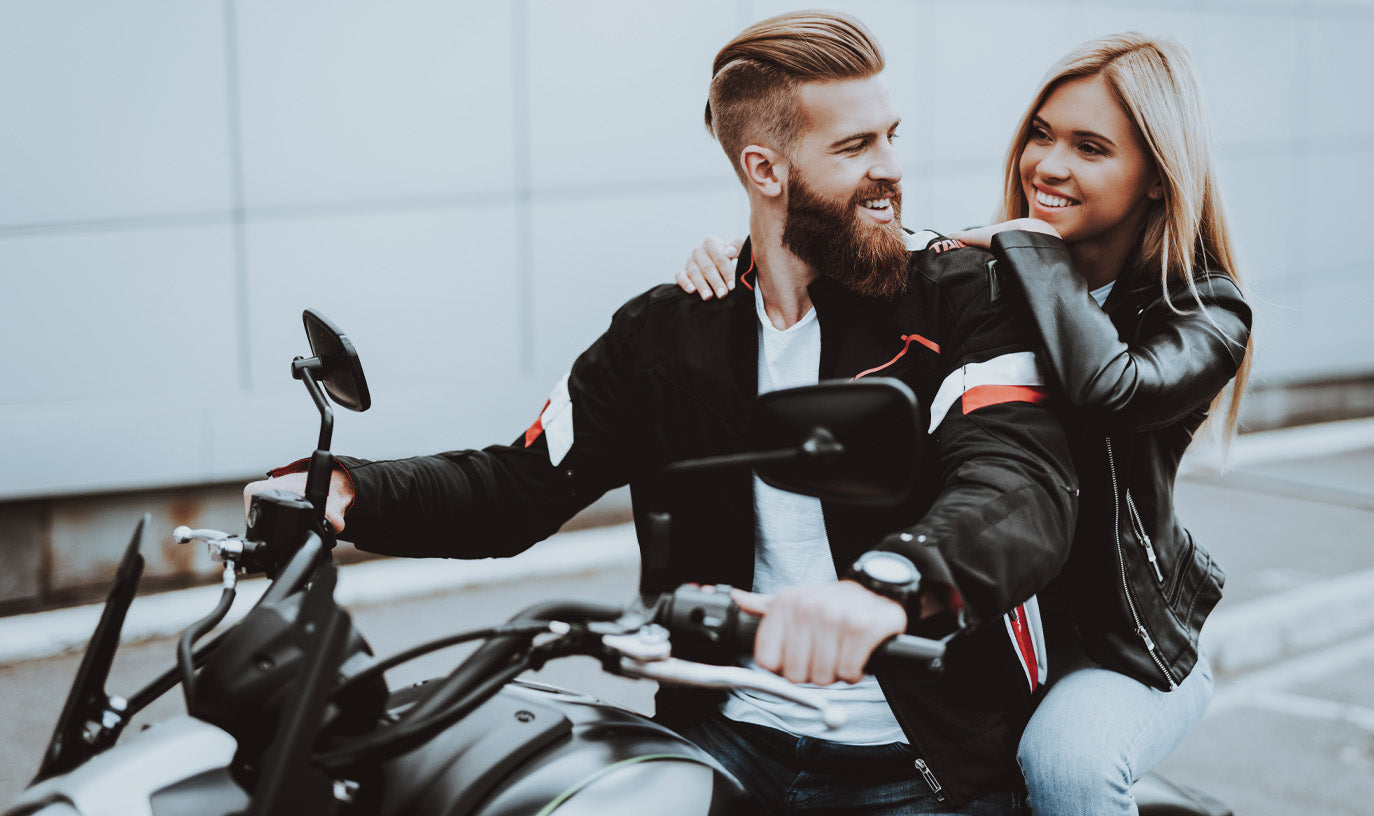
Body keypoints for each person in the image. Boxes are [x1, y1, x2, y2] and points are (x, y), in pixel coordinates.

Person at [246, 11, 1077, 815]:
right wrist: (351, 493)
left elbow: (1018, 483)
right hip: (721, 739)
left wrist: (888, 586)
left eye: (893, 135)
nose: (891, 167)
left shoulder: (960, 298)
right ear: (765, 170)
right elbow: (521, 481)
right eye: (856, 146)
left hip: (918, 762)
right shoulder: (667, 333)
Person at [675, 32, 1253, 816]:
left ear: (1156, 176)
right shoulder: (993, 268)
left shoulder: (1204, 309)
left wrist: (1034, 253)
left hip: (1113, 641)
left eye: (1090, 147)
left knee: (1067, 768)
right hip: (999, 628)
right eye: (1042, 135)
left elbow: (1112, 389)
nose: (1048, 165)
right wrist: (745, 256)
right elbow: (857, 257)